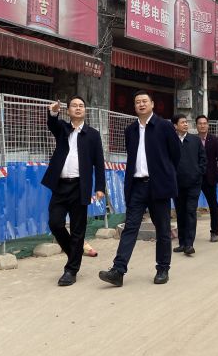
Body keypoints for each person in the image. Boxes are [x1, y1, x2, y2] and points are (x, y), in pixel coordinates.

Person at [99, 90, 181, 287]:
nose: (141, 104)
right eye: (137, 102)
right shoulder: (131, 130)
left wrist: (164, 174)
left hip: (158, 186)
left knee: (162, 228)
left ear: (152, 104)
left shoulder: (165, 126)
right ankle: (118, 271)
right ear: (134, 106)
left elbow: (176, 154)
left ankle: (163, 268)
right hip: (137, 186)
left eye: (145, 101)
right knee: (130, 227)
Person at [43, 96, 106, 286]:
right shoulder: (63, 129)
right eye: (74, 106)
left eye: (81, 106)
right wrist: (53, 112)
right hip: (60, 186)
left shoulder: (93, 135)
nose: (78, 108)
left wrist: (100, 187)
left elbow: (99, 163)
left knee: (78, 229)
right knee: (55, 223)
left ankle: (71, 270)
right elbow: (52, 124)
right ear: (68, 110)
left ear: (85, 110)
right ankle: (75, 253)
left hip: (80, 186)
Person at [172, 114, 206, 255]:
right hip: (176, 184)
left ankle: (189, 244)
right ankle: (182, 243)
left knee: (190, 212)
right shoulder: (170, 141)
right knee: (180, 213)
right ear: (175, 126)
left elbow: (203, 159)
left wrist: (198, 173)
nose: (186, 124)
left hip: (193, 184)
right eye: (182, 122)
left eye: (186, 122)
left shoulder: (195, 140)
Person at [196, 115, 218, 242]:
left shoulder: (214, 140)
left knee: (213, 206)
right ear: (196, 126)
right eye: (200, 123)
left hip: (210, 178)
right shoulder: (192, 140)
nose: (202, 125)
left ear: (208, 125)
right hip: (195, 178)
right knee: (190, 207)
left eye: (204, 123)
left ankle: (214, 232)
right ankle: (189, 234)